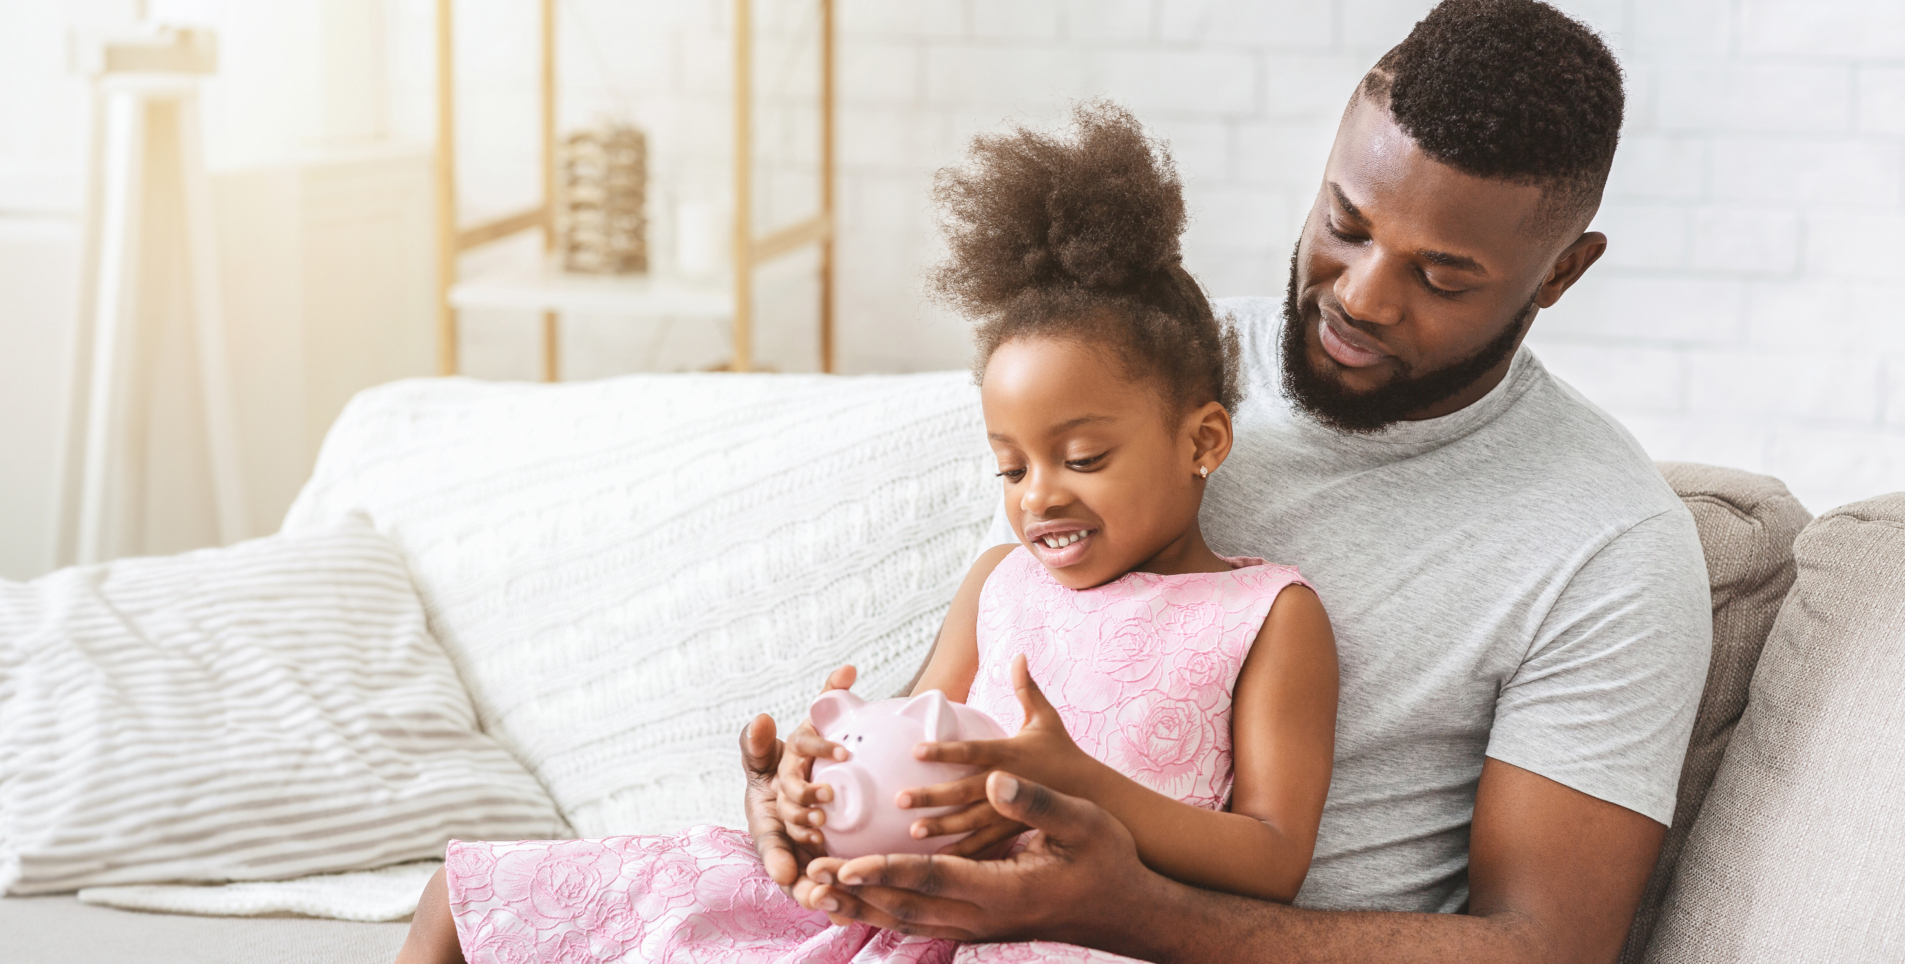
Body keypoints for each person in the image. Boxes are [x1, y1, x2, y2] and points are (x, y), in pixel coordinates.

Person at [752, 0, 1713, 964]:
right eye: (1345, 223)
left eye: (1441, 277)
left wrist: (1121, 908)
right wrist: (812, 805)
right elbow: (955, 702)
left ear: (1559, 274)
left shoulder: (1609, 545)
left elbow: (1544, 948)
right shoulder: (1135, 370)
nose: (1361, 296)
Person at [396, 102, 1340, 964]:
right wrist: (815, 785)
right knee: (465, 895)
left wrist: (1077, 785)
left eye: (1083, 457)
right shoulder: (1001, 583)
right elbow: (906, 746)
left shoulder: (1265, 613)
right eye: (1010, 467)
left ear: (1203, 440)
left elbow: (1270, 861)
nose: (1038, 495)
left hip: (1069, 937)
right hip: (897, 916)